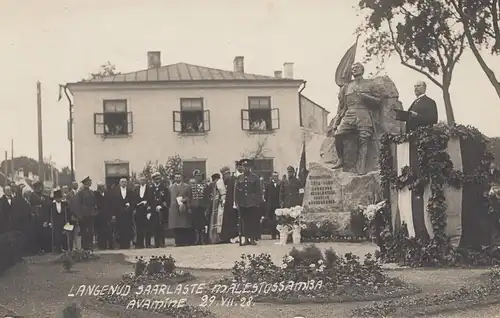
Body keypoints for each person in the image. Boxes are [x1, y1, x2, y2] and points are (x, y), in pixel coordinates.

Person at [329, 62, 381, 175]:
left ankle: (361, 166)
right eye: (352, 68)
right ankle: (340, 159)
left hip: (364, 114)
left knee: (364, 140)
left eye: (357, 67)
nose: (354, 70)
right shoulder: (347, 86)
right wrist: (336, 121)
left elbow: (378, 101)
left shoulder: (370, 84)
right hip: (350, 114)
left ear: (362, 70)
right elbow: (341, 106)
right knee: (338, 134)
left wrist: (365, 96)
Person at [234, 159, 262, 246]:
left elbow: (258, 191)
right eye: (244, 166)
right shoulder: (239, 178)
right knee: (244, 221)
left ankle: (252, 238)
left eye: (247, 167)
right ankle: (246, 239)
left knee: (252, 221)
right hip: (242, 202)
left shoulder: (255, 177)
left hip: (252, 202)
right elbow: (236, 191)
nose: (245, 168)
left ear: (250, 167)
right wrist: (236, 202)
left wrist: (258, 202)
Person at [168, 173, 193, 246]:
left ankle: (184, 242)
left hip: (183, 208)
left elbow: (189, 197)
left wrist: (184, 200)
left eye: (179, 177)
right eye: (176, 177)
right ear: (174, 178)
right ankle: (177, 242)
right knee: (176, 226)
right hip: (174, 208)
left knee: (183, 226)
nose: (177, 179)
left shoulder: (187, 186)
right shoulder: (171, 187)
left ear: (181, 178)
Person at [111, 178, 135, 249]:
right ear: (120, 183)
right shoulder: (115, 192)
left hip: (128, 213)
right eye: (122, 182)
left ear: (127, 183)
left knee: (127, 228)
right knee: (120, 228)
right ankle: (120, 244)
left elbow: (133, 201)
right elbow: (114, 203)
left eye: (125, 182)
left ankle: (127, 244)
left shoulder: (130, 191)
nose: (124, 183)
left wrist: (129, 208)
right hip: (119, 213)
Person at [75, 176, 98, 251]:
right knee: (84, 231)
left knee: (91, 231)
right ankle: (84, 246)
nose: (91, 182)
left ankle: (90, 245)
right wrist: (79, 215)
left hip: (91, 214)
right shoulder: (80, 193)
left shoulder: (91, 192)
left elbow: (94, 203)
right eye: (89, 181)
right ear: (86, 183)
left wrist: (95, 211)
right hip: (83, 215)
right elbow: (78, 204)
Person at [150, 172, 169, 248]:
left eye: (158, 179)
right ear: (153, 180)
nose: (157, 180)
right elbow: (150, 199)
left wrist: (161, 206)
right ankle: (156, 243)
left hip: (162, 210)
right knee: (155, 226)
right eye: (155, 179)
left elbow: (167, 199)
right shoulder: (151, 189)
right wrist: (152, 208)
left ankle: (162, 242)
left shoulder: (164, 188)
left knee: (162, 226)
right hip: (154, 210)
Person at [31, 181, 51, 253]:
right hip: (36, 217)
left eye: (41, 187)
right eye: (39, 187)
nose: (40, 189)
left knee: (44, 233)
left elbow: (46, 206)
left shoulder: (43, 195)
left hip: (43, 216)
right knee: (37, 233)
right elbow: (31, 206)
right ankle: (38, 248)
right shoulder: (33, 195)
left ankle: (44, 247)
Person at [220, 166, 238, 243]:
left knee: (231, 220)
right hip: (227, 204)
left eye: (226, 174)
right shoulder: (224, 182)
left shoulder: (232, 180)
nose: (225, 176)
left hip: (231, 204)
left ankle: (232, 236)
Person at [133, 175, 152, 248]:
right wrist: (135, 206)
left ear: (146, 181)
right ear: (139, 181)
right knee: (139, 227)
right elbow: (134, 198)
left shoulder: (149, 189)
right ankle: (140, 244)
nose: (142, 181)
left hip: (146, 210)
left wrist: (147, 204)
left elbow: (151, 198)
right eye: (141, 180)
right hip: (138, 210)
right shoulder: (136, 189)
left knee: (147, 227)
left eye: (143, 180)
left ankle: (148, 244)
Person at [208, 173, 226, 243]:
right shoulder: (215, 184)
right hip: (216, 204)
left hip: (219, 204)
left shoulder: (219, 183)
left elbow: (222, 193)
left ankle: (217, 238)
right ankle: (215, 238)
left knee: (218, 220)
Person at [190, 171, 207, 245]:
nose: (199, 177)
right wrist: (189, 206)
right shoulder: (191, 185)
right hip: (194, 206)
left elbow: (206, 196)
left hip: (202, 206)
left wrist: (206, 207)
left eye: (200, 175)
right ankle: (196, 239)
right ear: (194, 176)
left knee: (202, 224)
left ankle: (202, 239)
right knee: (195, 224)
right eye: (197, 175)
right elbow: (190, 196)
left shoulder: (204, 185)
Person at [95, 182, 113, 250]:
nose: (105, 188)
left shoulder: (107, 194)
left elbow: (111, 205)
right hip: (99, 217)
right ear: (100, 188)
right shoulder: (96, 195)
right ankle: (102, 246)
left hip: (107, 216)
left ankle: (110, 245)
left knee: (109, 231)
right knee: (101, 232)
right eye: (103, 186)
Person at [264, 172, 281, 239]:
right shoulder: (268, 185)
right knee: (272, 221)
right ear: (272, 177)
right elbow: (266, 196)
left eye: (276, 176)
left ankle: (280, 234)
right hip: (271, 206)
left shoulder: (280, 184)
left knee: (279, 220)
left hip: (278, 205)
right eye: (274, 176)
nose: (275, 177)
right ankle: (273, 234)